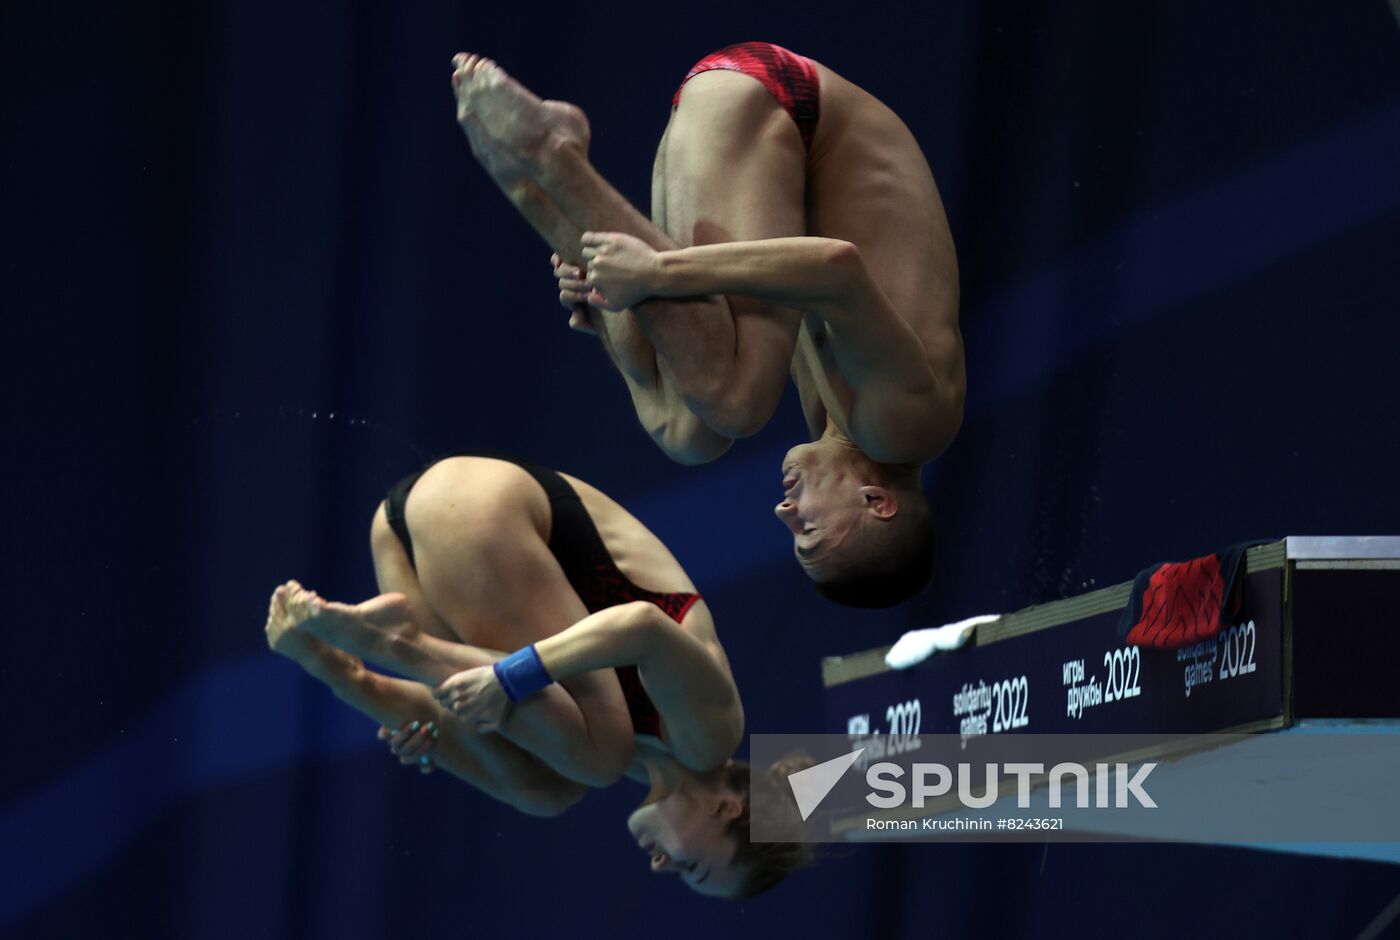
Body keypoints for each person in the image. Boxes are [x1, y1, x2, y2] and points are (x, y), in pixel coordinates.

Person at [450, 43, 965, 606]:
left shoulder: (838, 419)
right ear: (878, 503)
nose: (784, 512)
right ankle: (552, 155)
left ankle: (535, 190)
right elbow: (836, 269)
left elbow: (717, 320)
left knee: (689, 434)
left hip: (731, 127)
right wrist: (659, 271)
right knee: (737, 402)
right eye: (809, 534)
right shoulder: (907, 427)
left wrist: (611, 307)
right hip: (780, 102)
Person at [263, 451, 811, 897]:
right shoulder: (711, 735)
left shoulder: (642, 762)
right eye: (692, 868)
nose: (660, 866)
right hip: (478, 508)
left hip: (408, 534)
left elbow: (480, 704)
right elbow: (643, 625)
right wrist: (513, 676)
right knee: (595, 758)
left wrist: (439, 739)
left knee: (545, 790)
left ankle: (342, 671)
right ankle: (395, 645)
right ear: (727, 807)